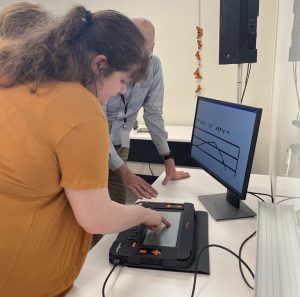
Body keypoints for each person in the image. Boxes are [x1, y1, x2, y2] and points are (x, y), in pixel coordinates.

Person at [0, 6, 169, 297]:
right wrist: (144, 214)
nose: (121, 92)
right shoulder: (81, 109)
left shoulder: (21, 76)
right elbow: (96, 217)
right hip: (29, 282)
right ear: (99, 64)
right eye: (123, 81)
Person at [105, 17, 190, 204]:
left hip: (121, 144)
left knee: (118, 202)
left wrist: (168, 159)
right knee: (95, 209)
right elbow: (94, 128)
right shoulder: (103, 68)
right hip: (94, 147)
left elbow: (153, 113)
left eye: (147, 52)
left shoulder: (154, 66)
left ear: (153, 47)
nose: (142, 62)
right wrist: (126, 173)